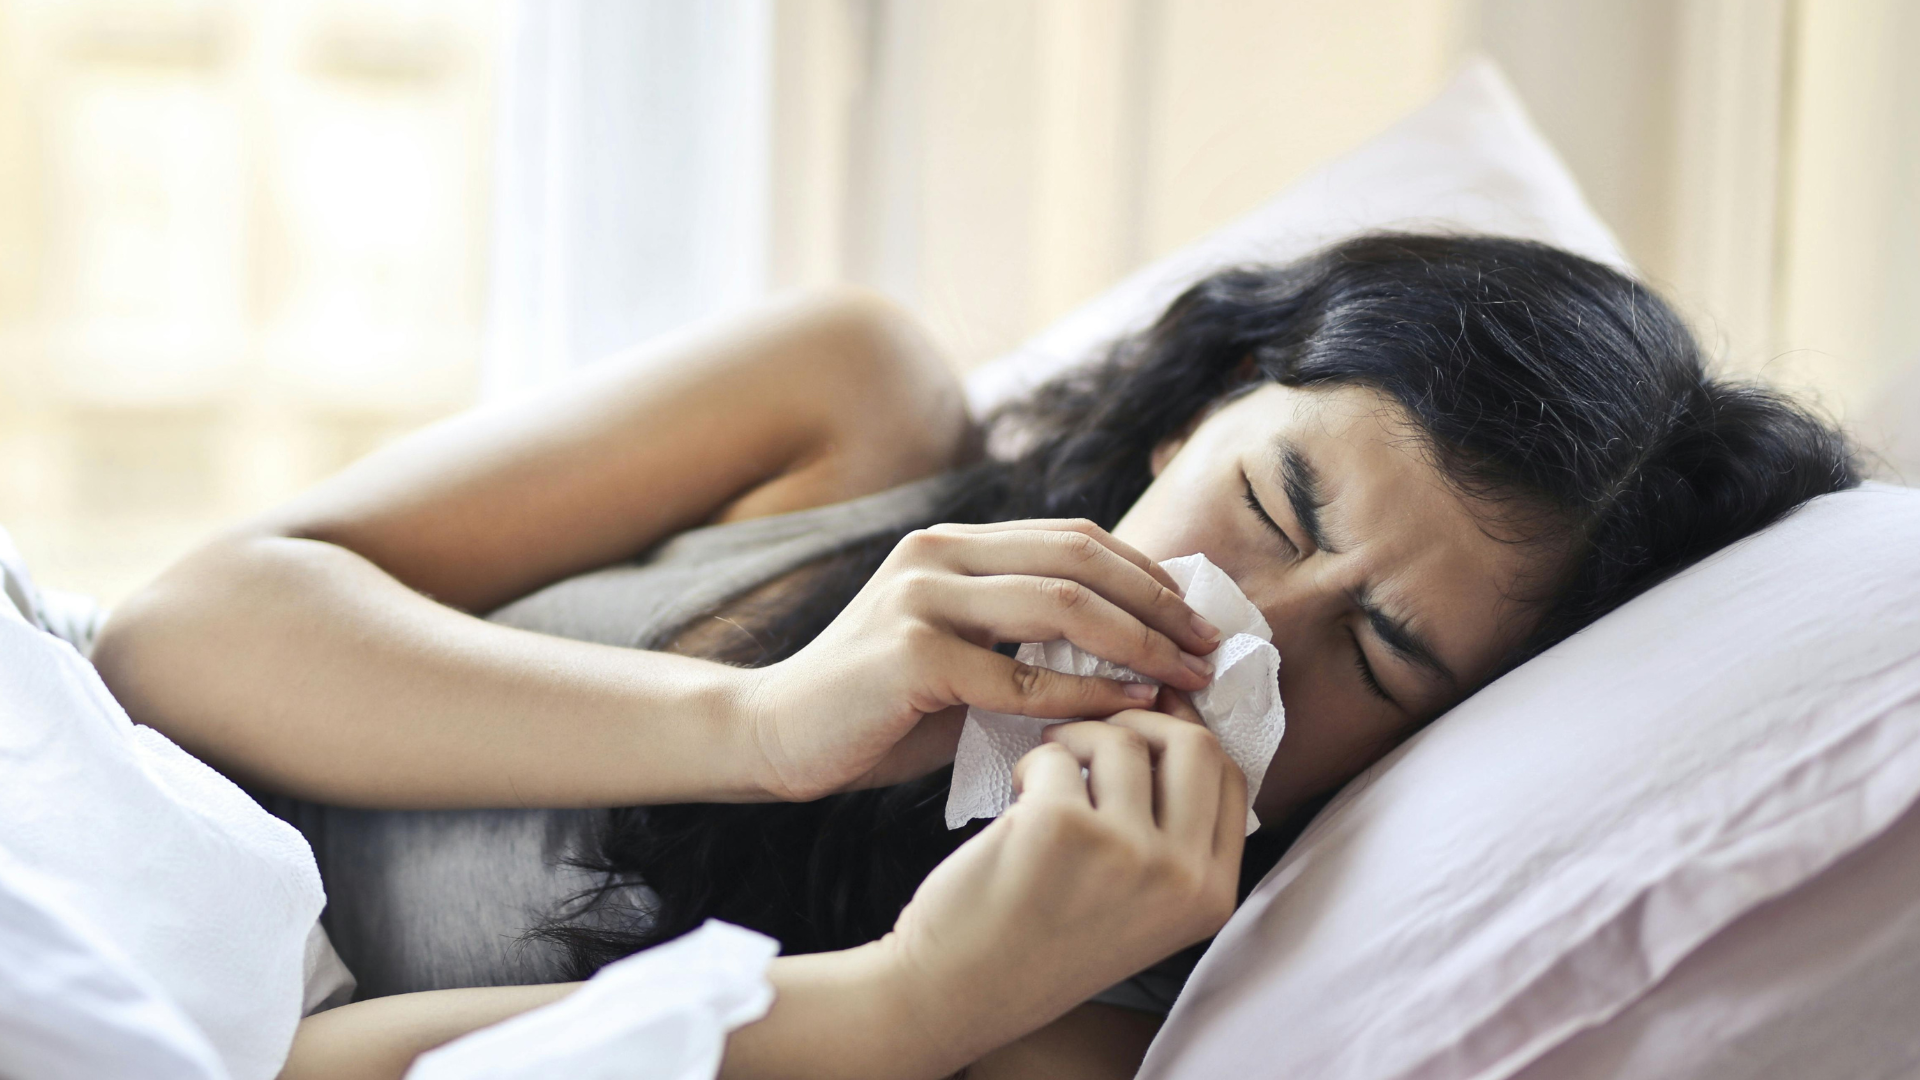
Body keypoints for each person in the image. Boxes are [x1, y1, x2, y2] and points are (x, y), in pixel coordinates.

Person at [91, 234, 1857, 1079]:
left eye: (1381, 660)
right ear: (1189, 419)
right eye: (1275, 504)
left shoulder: (1067, 1013)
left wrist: (912, 1002)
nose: (1247, 627)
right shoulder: (851, 406)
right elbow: (178, 638)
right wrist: (760, 722)